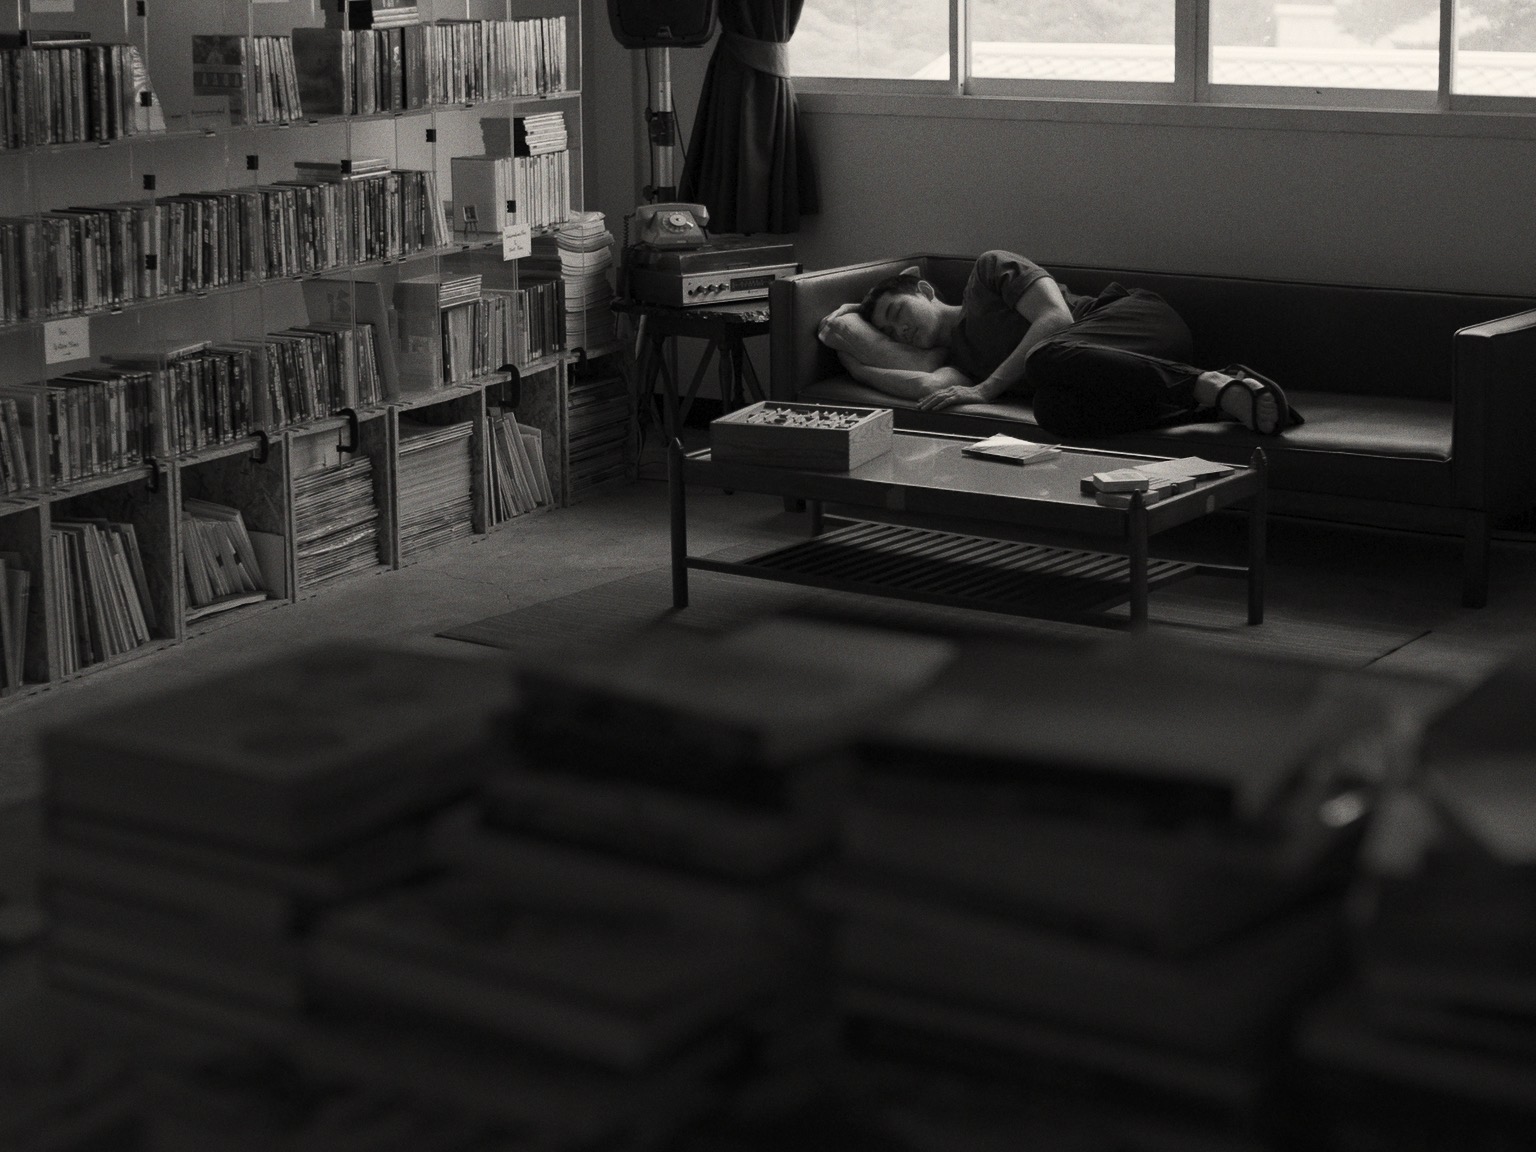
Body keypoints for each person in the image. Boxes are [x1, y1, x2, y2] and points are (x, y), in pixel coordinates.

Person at [816, 252, 1303, 438]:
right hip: (1126, 371)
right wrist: (855, 363)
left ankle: (1207, 383)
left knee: (1044, 357)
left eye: (897, 313)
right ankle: (1221, 402)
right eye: (889, 333)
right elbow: (927, 386)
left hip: (1136, 322)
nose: (899, 332)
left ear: (924, 290)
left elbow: (1057, 318)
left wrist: (988, 388)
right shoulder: (958, 361)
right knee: (1052, 409)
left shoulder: (988, 273)